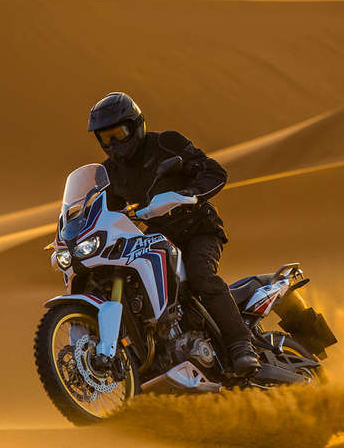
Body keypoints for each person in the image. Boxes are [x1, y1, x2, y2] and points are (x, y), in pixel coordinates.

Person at [86, 92, 261, 374]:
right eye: (106, 138)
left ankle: (241, 345)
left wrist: (187, 194)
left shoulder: (166, 144)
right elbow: (104, 211)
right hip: (158, 240)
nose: (114, 144)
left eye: (119, 133)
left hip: (198, 230)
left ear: (136, 125)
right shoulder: (109, 173)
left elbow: (214, 172)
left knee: (201, 275)